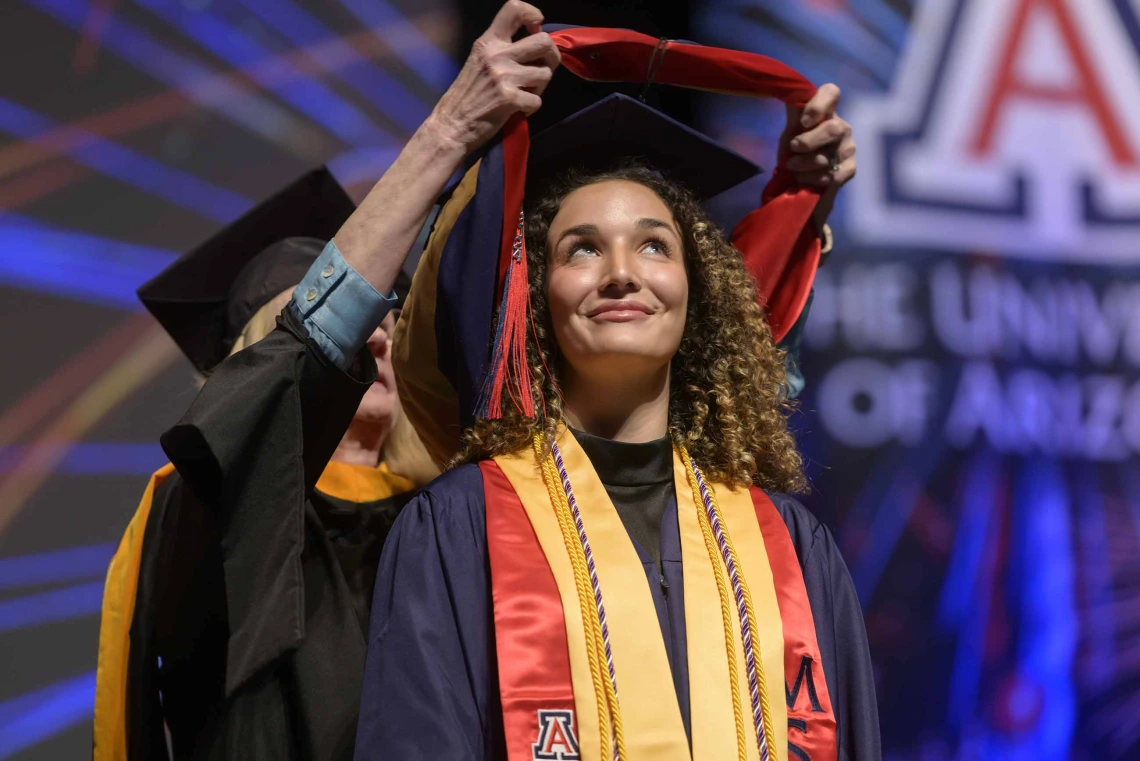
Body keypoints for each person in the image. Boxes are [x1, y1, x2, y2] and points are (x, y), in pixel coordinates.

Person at [353, 5, 876, 761]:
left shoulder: (792, 546)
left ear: (699, 295)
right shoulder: (461, 528)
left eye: (654, 245)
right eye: (583, 249)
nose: (622, 273)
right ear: (537, 296)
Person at [93, 168, 438, 761]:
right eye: (347, 322)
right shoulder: (205, 501)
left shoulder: (446, 515)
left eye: (385, 322)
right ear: (258, 364)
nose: (377, 339)